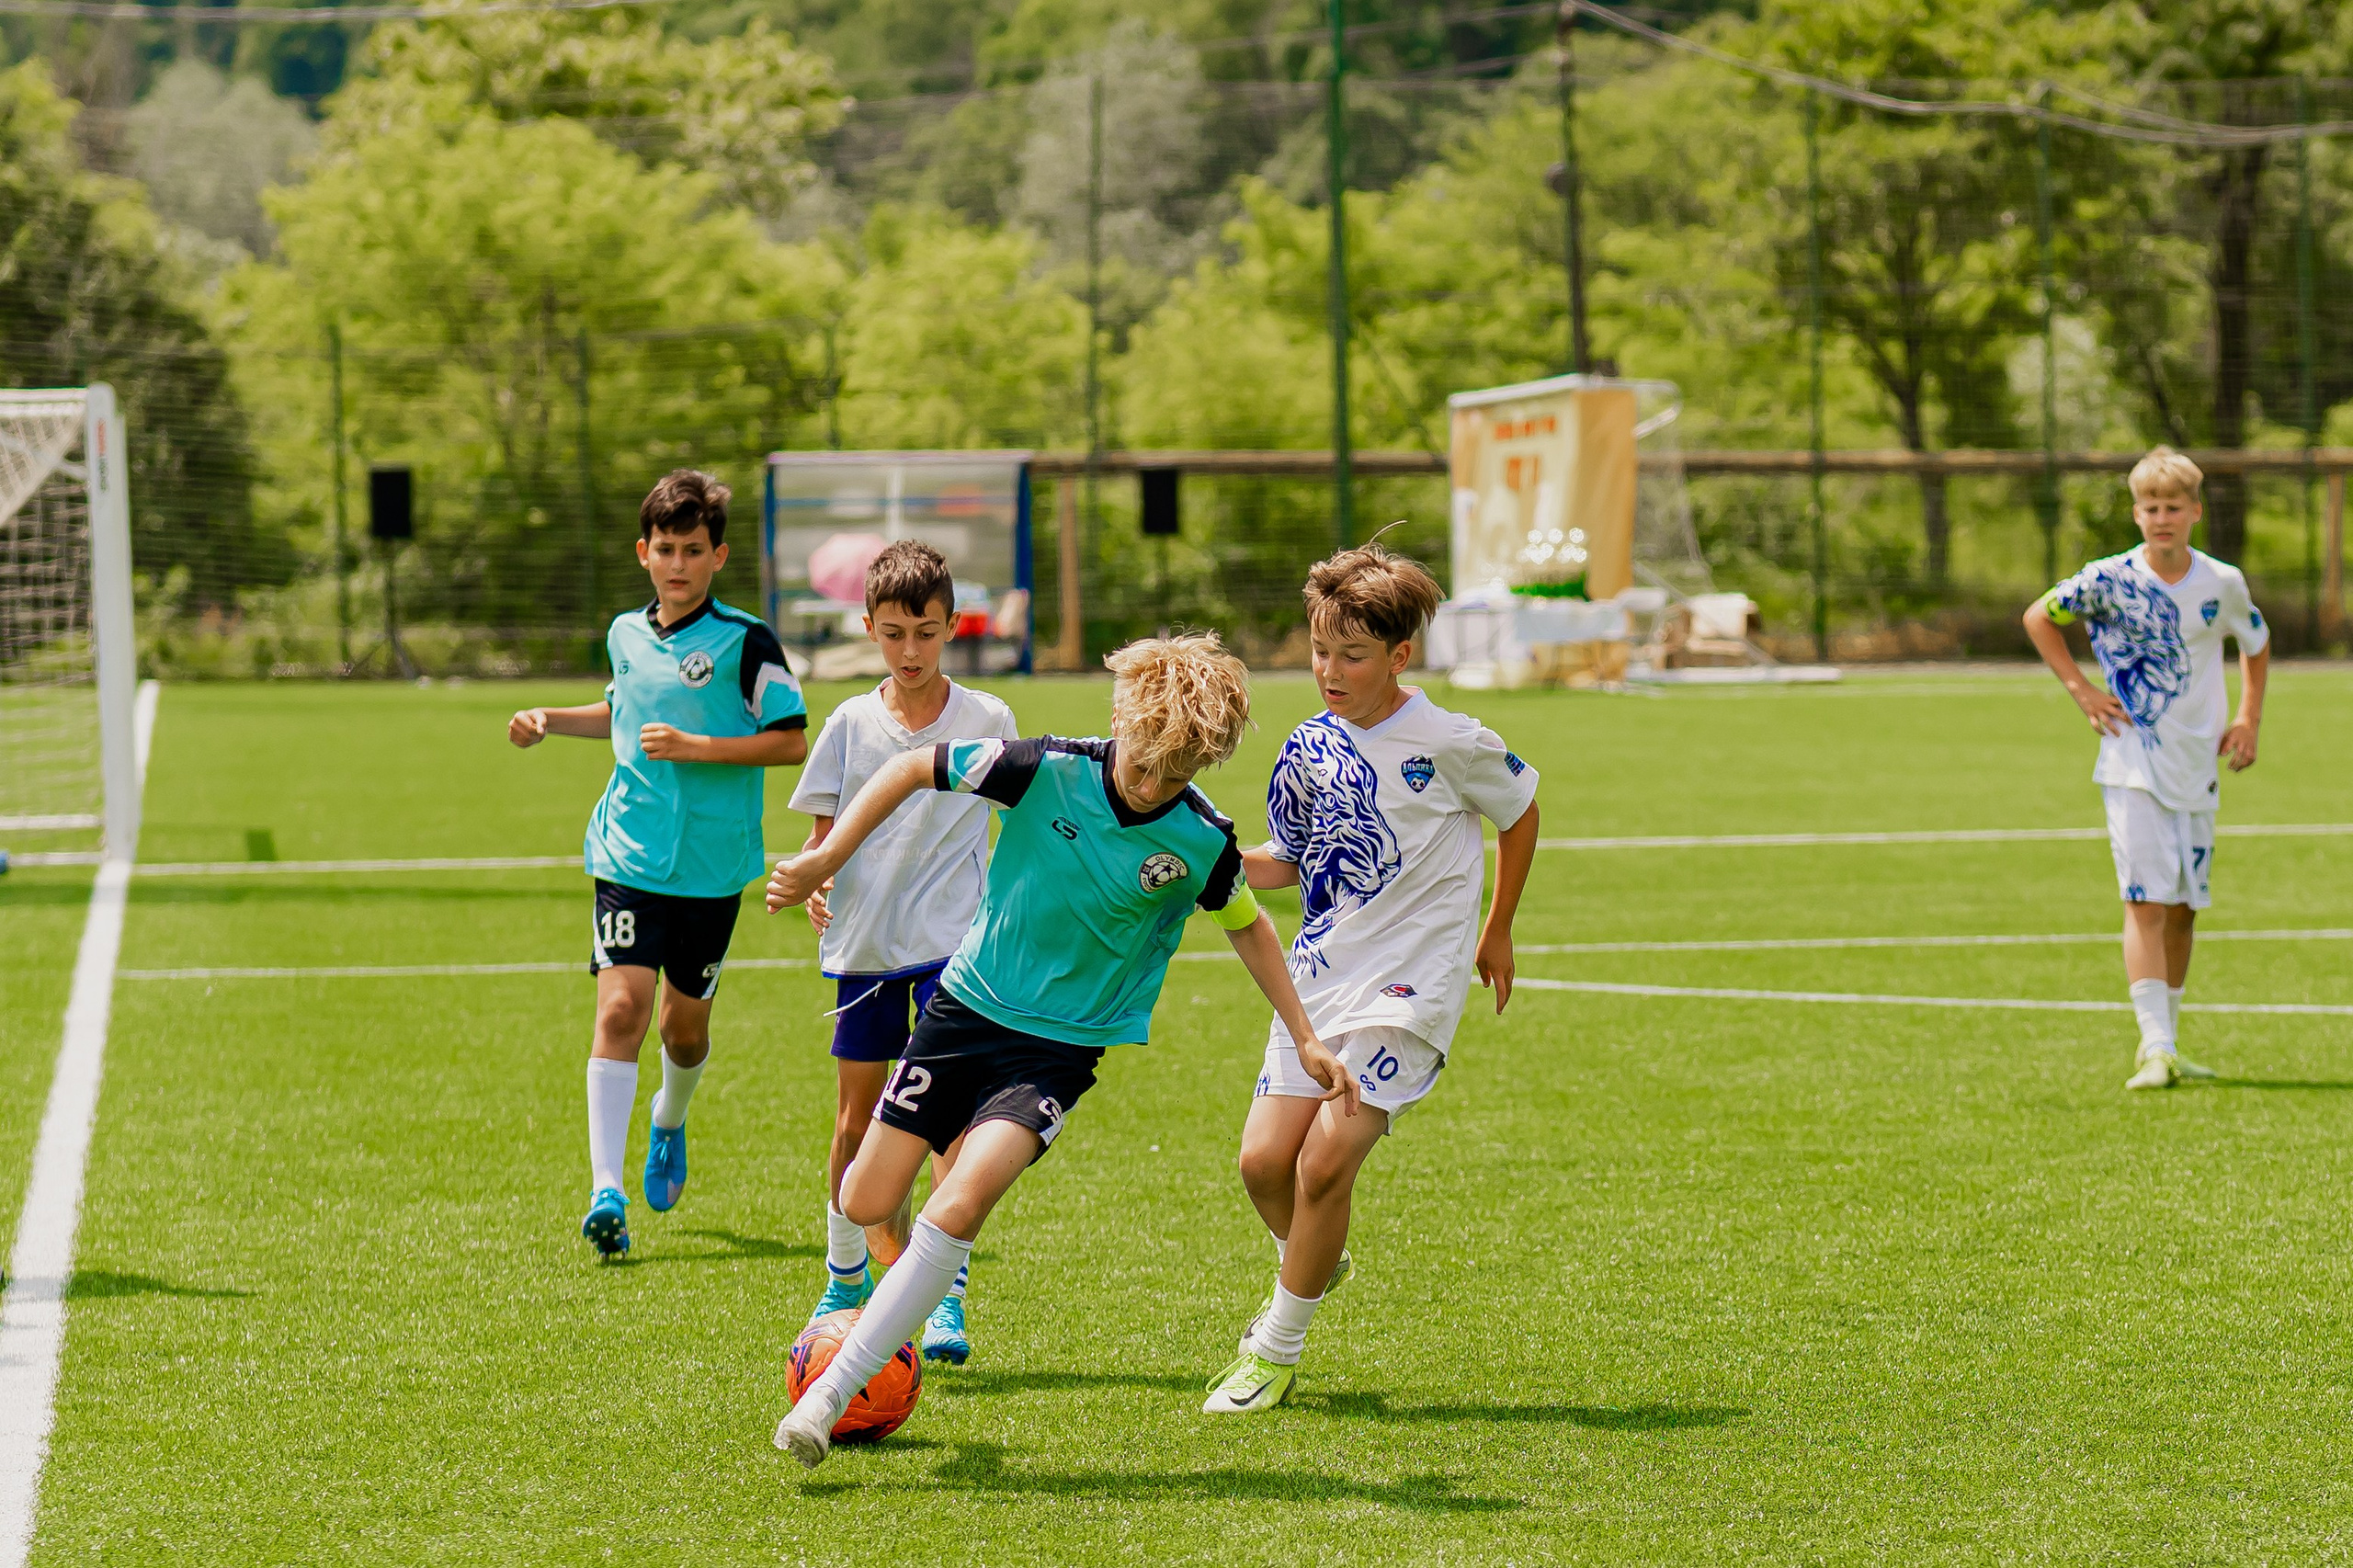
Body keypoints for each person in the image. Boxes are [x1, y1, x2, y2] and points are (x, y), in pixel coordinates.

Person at [765, 633, 1355, 1468]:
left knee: (961, 1203)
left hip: (1057, 1054)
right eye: (1143, 764)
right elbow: (911, 768)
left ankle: (828, 1399)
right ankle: (881, 1297)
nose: (1150, 786)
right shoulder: (1044, 767)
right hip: (964, 1012)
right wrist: (826, 855)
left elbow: (1248, 927)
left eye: (1175, 775)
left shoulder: (1200, 839)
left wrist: (1306, 1036)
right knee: (866, 1199)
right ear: (1120, 721)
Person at [1206, 541, 1540, 1414]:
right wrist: (1210, 860)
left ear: (1400, 656)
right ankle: (1315, 1258)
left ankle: (1274, 1350)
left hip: (1410, 989)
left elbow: (1520, 811)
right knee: (1263, 1166)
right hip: (1320, 979)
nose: (1330, 671)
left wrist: (1498, 926)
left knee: (1324, 1165)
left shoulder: (1451, 740)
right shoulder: (1308, 746)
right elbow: (1291, 860)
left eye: (1352, 656)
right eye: (1320, 651)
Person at [506, 470, 808, 1257]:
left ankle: (669, 1119)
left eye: (693, 550)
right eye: (666, 549)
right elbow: (621, 709)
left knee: (683, 1032)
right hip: (627, 853)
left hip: (711, 867)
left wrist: (698, 747)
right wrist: (548, 718)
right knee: (619, 1012)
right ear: (643, 553)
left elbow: (790, 740)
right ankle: (605, 1191)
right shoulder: (624, 634)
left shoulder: (747, 641)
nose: (678, 564)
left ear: (718, 557)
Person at [789, 540, 1017, 1362]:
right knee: (857, 1118)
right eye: (894, 634)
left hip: (955, 949)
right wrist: (818, 877)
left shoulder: (988, 719)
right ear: (869, 629)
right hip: (865, 947)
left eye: (925, 632)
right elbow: (823, 834)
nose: (911, 650)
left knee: (950, 1125)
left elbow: (1019, 820)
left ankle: (946, 1296)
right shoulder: (851, 724)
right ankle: (844, 1277)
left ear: (953, 626)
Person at [2023, 446, 2269, 1090]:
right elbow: (2039, 617)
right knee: (2146, 900)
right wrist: (2080, 689)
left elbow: (2257, 641)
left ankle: (2170, 1044)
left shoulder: (2222, 582)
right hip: (2131, 761)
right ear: (2136, 515)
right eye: (2151, 508)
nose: (2162, 518)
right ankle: (2153, 1045)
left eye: (2173, 507)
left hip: (2198, 761)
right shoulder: (2108, 579)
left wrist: (2247, 717)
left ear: (2196, 512)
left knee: (2185, 907)